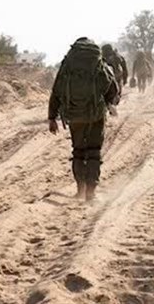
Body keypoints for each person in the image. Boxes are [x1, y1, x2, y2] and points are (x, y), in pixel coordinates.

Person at [48, 37, 120, 201]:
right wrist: (110, 103)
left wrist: (52, 117)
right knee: (94, 151)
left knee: (78, 151)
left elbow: (56, 91)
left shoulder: (67, 66)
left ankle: (80, 189)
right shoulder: (99, 63)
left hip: (75, 115)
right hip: (96, 115)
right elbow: (112, 88)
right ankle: (91, 192)